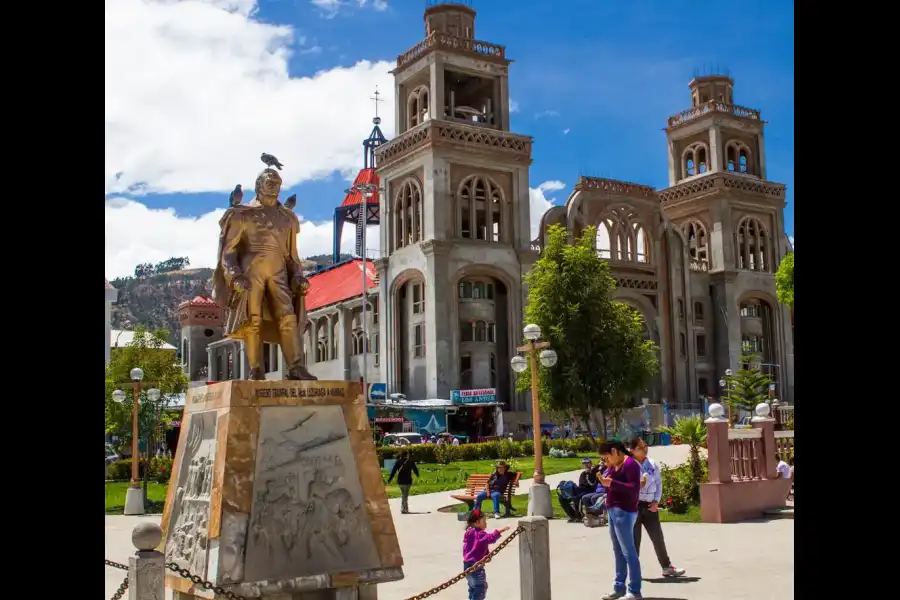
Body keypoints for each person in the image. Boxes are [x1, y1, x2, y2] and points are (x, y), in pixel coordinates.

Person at [629, 437, 686, 578]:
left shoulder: (652, 463)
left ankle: (667, 567)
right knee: (634, 541)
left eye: (645, 446)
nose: (645, 449)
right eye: (641, 447)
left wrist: (656, 502)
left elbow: (659, 484)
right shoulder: (629, 465)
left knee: (657, 538)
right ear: (632, 450)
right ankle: (633, 572)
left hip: (650, 506)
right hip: (634, 507)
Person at [598, 439, 642, 600]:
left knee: (628, 551)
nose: (606, 460)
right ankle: (619, 587)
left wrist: (612, 483)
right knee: (618, 551)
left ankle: (635, 590)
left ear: (615, 452)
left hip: (624, 511)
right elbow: (609, 484)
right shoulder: (613, 466)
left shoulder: (631, 464)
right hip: (612, 509)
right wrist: (606, 478)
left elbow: (634, 489)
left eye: (607, 457)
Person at [462, 509, 510, 600]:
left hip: (467, 565)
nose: (486, 523)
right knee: (480, 588)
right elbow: (490, 538)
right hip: (476, 566)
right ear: (477, 522)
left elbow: (477, 545)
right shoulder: (480, 533)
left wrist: (486, 555)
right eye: (484, 521)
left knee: (473, 588)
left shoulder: (469, 532)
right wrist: (500, 530)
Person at [559, 458, 602, 522]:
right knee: (562, 498)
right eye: (584, 464)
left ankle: (578, 516)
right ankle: (572, 515)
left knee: (576, 497)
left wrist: (589, 473)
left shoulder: (594, 472)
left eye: (588, 463)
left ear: (591, 464)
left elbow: (593, 485)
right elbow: (581, 485)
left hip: (589, 491)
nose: (586, 465)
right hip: (580, 491)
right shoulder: (583, 474)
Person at [387, 450, 419, 514]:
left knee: (404, 494)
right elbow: (415, 470)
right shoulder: (410, 461)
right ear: (406, 455)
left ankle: (404, 508)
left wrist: (389, 479)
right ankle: (404, 509)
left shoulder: (398, 462)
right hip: (408, 481)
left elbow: (393, 471)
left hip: (401, 481)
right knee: (405, 495)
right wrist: (417, 474)